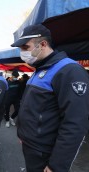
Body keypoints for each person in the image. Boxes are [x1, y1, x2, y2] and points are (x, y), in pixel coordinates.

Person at [11, 24, 89, 172]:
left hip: (46, 153)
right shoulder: (40, 69)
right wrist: (23, 134)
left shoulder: (69, 71)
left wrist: (57, 165)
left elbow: (75, 123)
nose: (22, 52)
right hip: (32, 148)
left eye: (25, 47)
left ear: (43, 44)